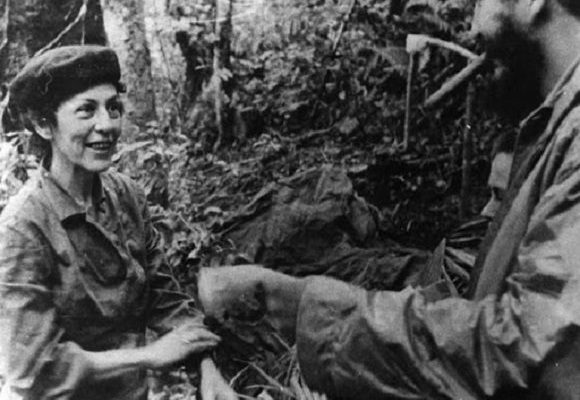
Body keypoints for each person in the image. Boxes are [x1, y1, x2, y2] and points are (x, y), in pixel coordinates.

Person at [198, 0, 580, 398]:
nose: (472, 25)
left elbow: (536, 353)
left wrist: (298, 308)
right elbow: (497, 310)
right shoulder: (554, 134)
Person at [0, 45, 237, 400]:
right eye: (86, 110)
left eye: (113, 107)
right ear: (43, 124)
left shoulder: (126, 195)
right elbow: (31, 369)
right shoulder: (23, 227)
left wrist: (205, 367)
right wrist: (148, 356)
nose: (107, 124)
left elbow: (164, 296)